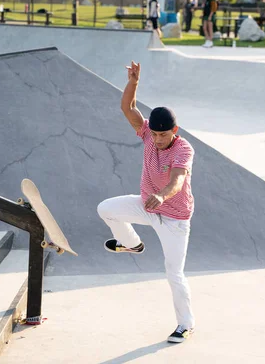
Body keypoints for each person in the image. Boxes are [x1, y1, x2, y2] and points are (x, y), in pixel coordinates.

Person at [97, 61, 196, 344]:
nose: (158, 139)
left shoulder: (183, 148)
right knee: (106, 209)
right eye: (154, 134)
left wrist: (162, 195)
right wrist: (133, 82)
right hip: (147, 206)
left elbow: (178, 179)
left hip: (174, 219)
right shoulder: (148, 135)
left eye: (163, 135)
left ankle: (185, 324)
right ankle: (131, 243)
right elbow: (128, 109)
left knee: (174, 273)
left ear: (174, 130)